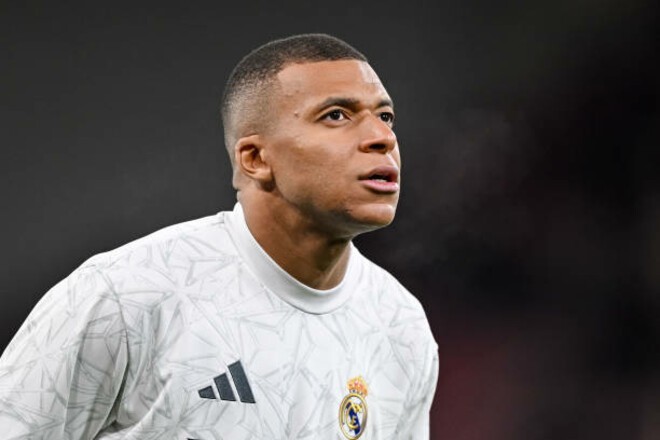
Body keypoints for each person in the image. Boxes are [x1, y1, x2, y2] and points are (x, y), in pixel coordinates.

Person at [0, 33, 438, 439]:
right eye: (336, 115)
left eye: (385, 116)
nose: (382, 137)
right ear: (255, 158)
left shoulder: (400, 326)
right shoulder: (127, 296)